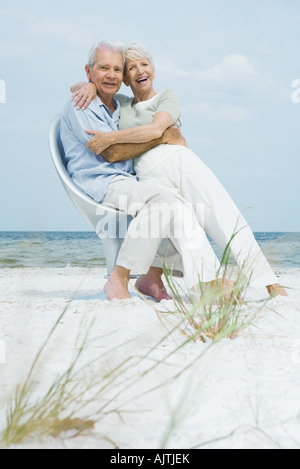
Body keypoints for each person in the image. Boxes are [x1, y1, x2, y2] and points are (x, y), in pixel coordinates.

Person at [72, 42, 287, 297]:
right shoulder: (121, 104)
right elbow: (94, 90)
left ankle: (269, 282)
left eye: (145, 64)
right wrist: (85, 85)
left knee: (223, 216)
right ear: (125, 79)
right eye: (131, 67)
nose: (140, 70)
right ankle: (203, 284)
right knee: (181, 222)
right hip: (149, 175)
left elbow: (154, 129)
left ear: (153, 69)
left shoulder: (167, 97)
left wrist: (112, 137)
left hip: (180, 163)